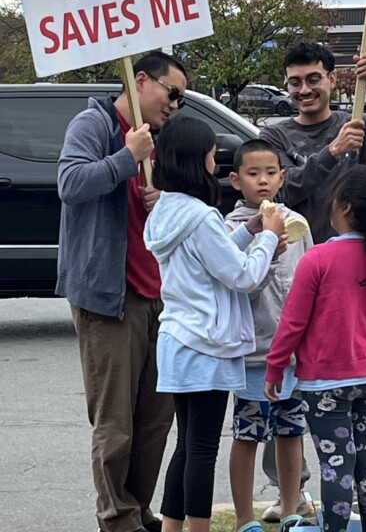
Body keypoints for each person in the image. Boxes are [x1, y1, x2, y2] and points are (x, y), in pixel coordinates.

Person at [56, 49, 188, 532]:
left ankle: (137, 508)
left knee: (155, 417)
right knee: (116, 423)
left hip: (162, 295)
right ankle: (117, 518)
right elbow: (70, 183)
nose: (175, 105)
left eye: (182, 99)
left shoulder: (162, 139)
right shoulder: (93, 125)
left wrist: (166, 196)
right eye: (171, 93)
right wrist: (125, 158)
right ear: (140, 81)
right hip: (110, 297)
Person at [143, 116, 286, 532]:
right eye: (210, 152)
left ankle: (173, 527)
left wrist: (252, 230)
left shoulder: (167, 209)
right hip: (206, 344)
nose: (213, 159)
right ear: (196, 160)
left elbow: (211, 258)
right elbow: (242, 275)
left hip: (178, 339)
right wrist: (271, 237)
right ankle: (198, 528)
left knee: (185, 447)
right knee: (202, 449)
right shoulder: (202, 216)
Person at [265, 165, 366, 532]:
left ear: (343, 207)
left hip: (326, 383)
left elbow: (293, 323)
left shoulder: (317, 259)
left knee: (336, 465)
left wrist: (275, 368)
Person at [224, 140, 314, 532]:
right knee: (247, 434)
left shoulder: (298, 226)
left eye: (270, 173)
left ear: (283, 177)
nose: (262, 181)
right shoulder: (230, 229)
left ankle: (291, 507)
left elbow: (311, 284)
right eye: (252, 173)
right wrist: (266, 249)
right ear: (235, 179)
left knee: (291, 432)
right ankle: (245, 518)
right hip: (252, 355)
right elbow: (237, 285)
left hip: (292, 356)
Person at [259, 41, 366, 244]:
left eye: (314, 79)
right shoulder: (273, 137)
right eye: (295, 82)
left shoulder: (359, 124)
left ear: (332, 79)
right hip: (302, 257)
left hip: (356, 255)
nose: (305, 90)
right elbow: (283, 191)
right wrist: (334, 151)